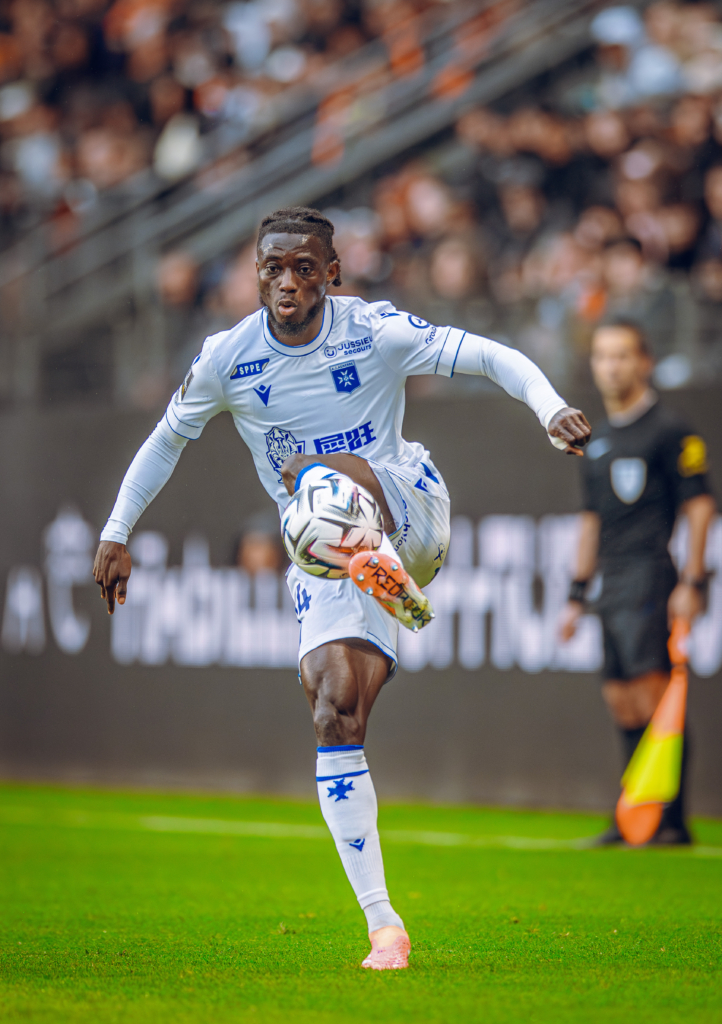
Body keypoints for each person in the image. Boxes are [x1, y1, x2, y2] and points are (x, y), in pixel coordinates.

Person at [93, 206, 591, 970]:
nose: (287, 282)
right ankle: (383, 926)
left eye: (304, 268)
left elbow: (490, 355)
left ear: (331, 273)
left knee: (314, 480)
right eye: (272, 268)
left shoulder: (374, 330)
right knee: (334, 712)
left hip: (408, 507)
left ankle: (380, 561)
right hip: (327, 555)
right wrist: (116, 530)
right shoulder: (227, 357)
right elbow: (166, 440)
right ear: (256, 274)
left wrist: (549, 407)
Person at [559, 318, 715, 845]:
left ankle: (671, 820)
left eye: (622, 355)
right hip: (612, 581)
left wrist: (693, 581)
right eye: (603, 356)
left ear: (645, 362)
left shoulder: (670, 431)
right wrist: (576, 594)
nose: (611, 366)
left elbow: (699, 507)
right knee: (620, 699)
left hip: (652, 574)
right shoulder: (597, 439)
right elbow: (591, 520)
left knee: (653, 696)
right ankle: (634, 816)